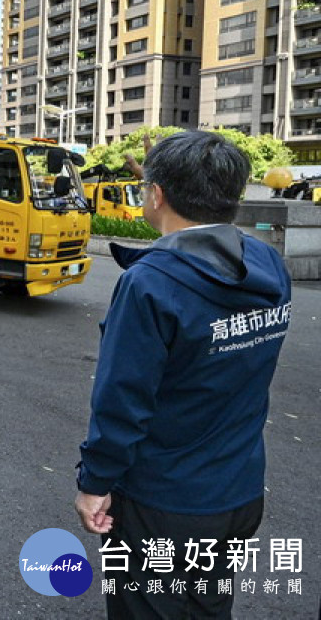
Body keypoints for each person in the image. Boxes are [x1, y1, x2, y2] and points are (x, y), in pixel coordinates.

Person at [75, 131, 291, 619]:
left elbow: (121, 403)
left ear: (156, 194)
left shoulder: (149, 285)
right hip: (238, 493)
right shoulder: (266, 263)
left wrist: (95, 483)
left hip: (165, 503)